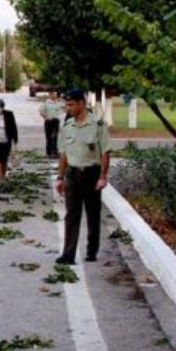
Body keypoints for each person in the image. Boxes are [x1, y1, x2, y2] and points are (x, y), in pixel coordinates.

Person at [55, 89, 112, 265]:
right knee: (71, 215)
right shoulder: (68, 126)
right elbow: (63, 154)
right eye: (67, 105)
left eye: (71, 104)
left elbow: (105, 152)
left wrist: (103, 176)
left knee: (92, 215)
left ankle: (91, 251)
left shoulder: (98, 125)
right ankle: (68, 254)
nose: (68, 108)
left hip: (92, 174)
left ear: (81, 103)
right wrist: (60, 177)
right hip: (72, 174)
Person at [40, 90, 65, 158]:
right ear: (50, 95)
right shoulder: (46, 103)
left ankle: (55, 152)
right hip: (48, 121)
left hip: (56, 121)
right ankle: (49, 152)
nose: (55, 96)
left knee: (55, 136)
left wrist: (62, 100)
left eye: (56, 94)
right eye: (53, 94)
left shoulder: (58, 102)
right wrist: (45, 117)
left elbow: (65, 107)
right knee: (49, 137)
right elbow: (41, 111)